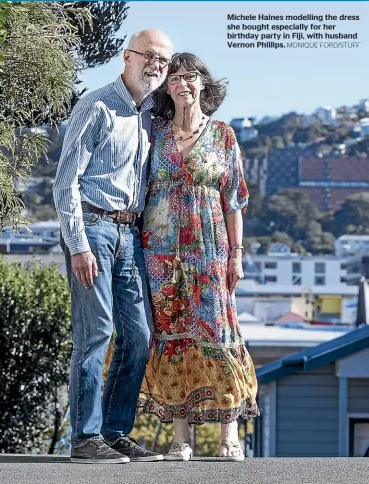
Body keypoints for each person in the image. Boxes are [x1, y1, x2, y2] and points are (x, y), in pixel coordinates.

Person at [53, 29, 173, 464]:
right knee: (95, 333)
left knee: (139, 336)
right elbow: (65, 181)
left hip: (129, 234)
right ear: (127, 56)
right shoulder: (98, 105)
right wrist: (78, 244)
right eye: (150, 56)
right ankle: (85, 439)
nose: (156, 65)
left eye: (163, 60)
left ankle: (115, 431)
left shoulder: (147, 115)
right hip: (93, 228)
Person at [138, 53, 260, 461]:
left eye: (190, 77)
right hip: (159, 252)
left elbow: (234, 201)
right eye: (174, 78)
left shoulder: (224, 135)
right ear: (166, 88)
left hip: (211, 251)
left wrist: (237, 255)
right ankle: (181, 438)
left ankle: (230, 435)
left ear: (204, 84)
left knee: (218, 335)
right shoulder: (153, 132)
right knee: (170, 338)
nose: (182, 84)